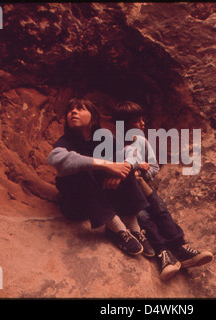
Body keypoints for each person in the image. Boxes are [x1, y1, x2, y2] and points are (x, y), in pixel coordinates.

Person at [112, 101, 214, 280]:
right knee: (143, 217)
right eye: (137, 121)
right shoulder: (112, 145)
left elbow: (154, 167)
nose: (143, 124)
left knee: (159, 207)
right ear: (123, 125)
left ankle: (180, 247)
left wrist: (144, 170)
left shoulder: (141, 142)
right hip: (127, 195)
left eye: (142, 120)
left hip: (143, 186)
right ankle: (164, 253)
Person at [47, 98, 154, 256]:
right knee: (81, 169)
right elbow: (55, 158)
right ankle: (117, 229)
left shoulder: (102, 138)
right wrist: (105, 165)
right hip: (76, 206)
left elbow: (129, 153)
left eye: (80, 109)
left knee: (124, 166)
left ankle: (134, 228)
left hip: (102, 198)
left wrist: (120, 170)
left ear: (94, 117)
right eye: (70, 111)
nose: (73, 112)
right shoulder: (65, 141)